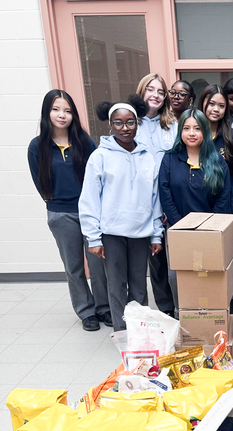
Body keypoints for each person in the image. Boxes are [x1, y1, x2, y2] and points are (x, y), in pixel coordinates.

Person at [78, 95, 163, 332]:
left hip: (141, 232)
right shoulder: (100, 157)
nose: (125, 128)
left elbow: (154, 199)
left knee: (138, 285)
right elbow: (89, 200)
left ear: (138, 123)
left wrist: (156, 234)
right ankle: (122, 333)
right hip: (111, 233)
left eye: (130, 122)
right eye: (118, 123)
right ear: (110, 125)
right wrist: (93, 238)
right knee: (116, 285)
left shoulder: (148, 157)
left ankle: (141, 332)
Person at [28, 90, 111, 331]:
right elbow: (39, 181)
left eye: (67, 110)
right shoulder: (37, 147)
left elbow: (98, 178)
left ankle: (104, 307)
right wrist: (56, 204)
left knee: (97, 264)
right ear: (47, 113)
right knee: (73, 266)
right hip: (61, 214)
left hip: (90, 212)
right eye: (56, 109)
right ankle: (86, 311)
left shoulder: (85, 142)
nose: (62, 115)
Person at [135, 73, 177, 317]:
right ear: (142, 91)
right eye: (151, 89)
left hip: (168, 204)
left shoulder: (171, 126)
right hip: (141, 206)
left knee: (179, 260)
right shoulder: (132, 125)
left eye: (161, 92)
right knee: (156, 261)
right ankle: (165, 310)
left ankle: (185, 306)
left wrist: (165, 207)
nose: (156, 95)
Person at [158, 109, 230, 226]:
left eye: (197, 128)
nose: (191, 133)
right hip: (178, 228)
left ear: (205, 131)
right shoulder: (169, 159)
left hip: (211, 231)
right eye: (186, 128)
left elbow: (223, 198)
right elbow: (165, 196)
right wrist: (180, 225)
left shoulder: (217, 160)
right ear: (180, 131)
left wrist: (209, 226)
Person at [198, 84, 233, 216]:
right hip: (197, 208)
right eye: (212, 104)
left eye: (221, 106)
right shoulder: (193, 136)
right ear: (202, 103)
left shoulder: (232, 137)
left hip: (227, 210)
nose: (216, 109)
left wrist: (232, 212)